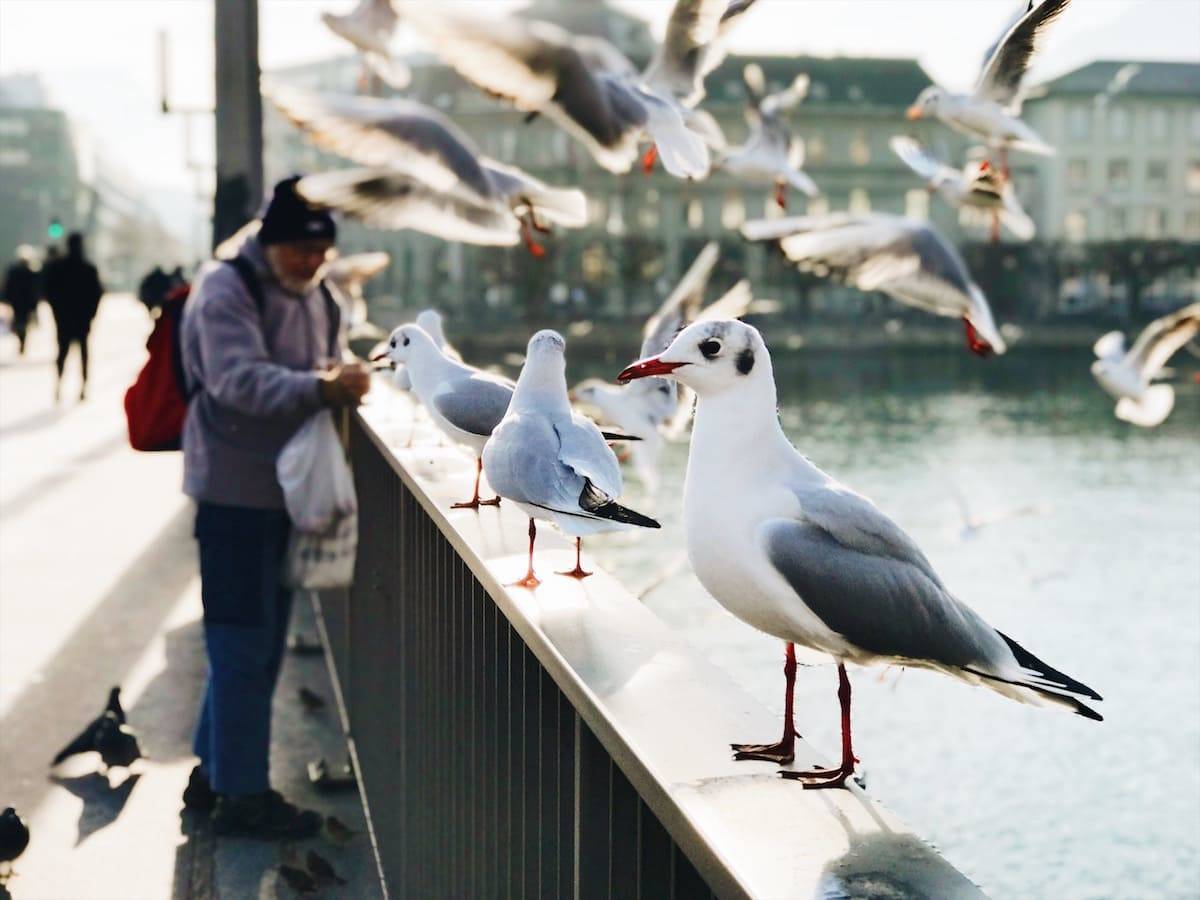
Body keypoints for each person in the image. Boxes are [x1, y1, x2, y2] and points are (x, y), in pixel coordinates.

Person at [179, 176, 369, 839]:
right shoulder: (227, 290)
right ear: (272, 240)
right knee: (240, 644)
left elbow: (328, 358)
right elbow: (234, 382)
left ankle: (213, 775)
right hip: (232, 495)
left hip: (286, 494)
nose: (314, 264)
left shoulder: (319, 295)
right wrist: (322, 389)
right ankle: (243, 798)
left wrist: (340, 375)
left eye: (322, 252)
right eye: (301, 252)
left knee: (255, 648)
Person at [43, 233, 103, 402]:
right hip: (81, 319)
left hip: (64, 319)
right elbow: (96, 294)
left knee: (63, 353)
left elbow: (49, 292)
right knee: (83, 354)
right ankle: (82, 387)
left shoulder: (58, 267)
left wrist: (57, 312)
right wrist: (91, 315)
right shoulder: (88, 268)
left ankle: (59, 385)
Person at [1, 246, 39, 355]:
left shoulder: (15, 272)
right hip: (24, 301)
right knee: (23, 321)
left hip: (17, 301)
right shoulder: (30, 272)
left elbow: (8, 286)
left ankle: (21, 338)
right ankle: (22, 338)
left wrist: (6, 298)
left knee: (19, 320)